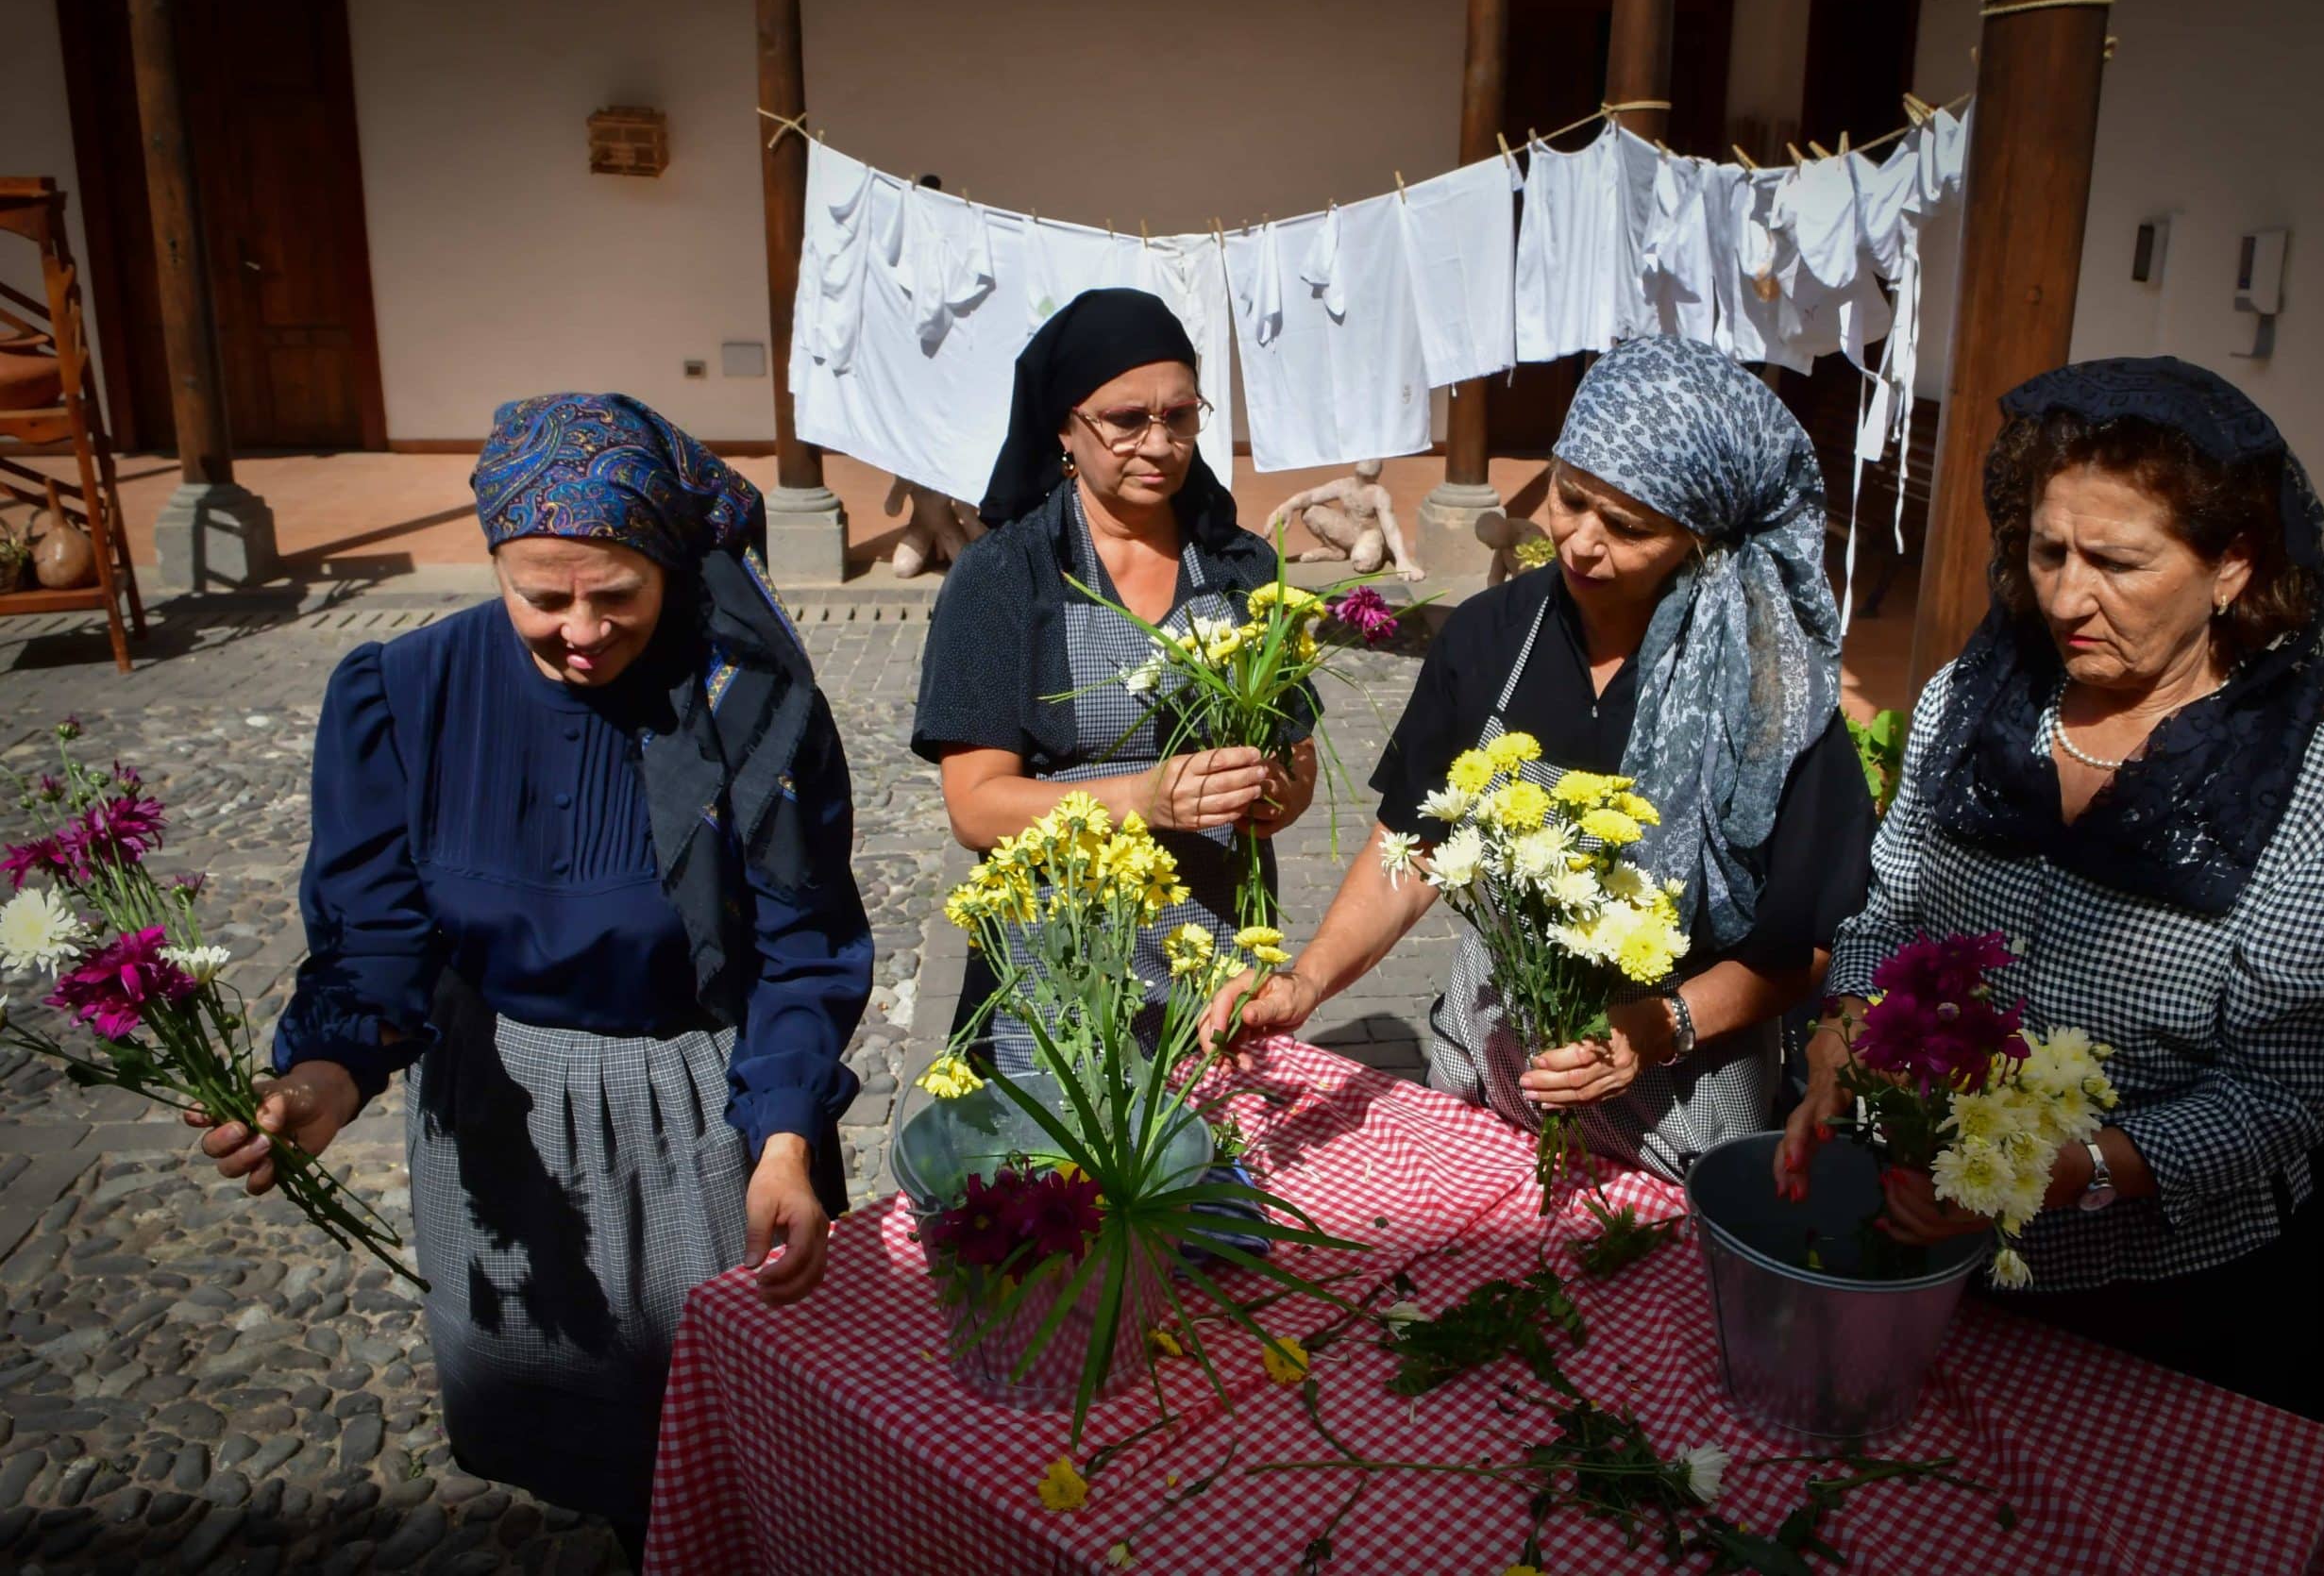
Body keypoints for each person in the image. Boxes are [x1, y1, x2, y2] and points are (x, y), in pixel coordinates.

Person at [189, 394, 872, 1551]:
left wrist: (786, 1139)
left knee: (745, 1441)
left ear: (669, 564)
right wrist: (320, 1080)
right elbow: (377, 939)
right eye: (540, 597)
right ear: (493, 561)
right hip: (503, 1114)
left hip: (702, 1107)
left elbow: (800, 947)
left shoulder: (744, 696)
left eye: (618, 597)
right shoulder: (402, 691)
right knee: (586, 1442)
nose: (581, 631)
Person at [1777, 357, 2324, 1425]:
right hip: (1925, 1226)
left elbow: (2277, 1099)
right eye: (2047, 549)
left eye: (2116, 560)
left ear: (2233, 564)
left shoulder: (2310, 796)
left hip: (2157, 1295)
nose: (2067, 595)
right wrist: (1845, 1024)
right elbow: (1888, 913)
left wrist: (2069, 1172)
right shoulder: (1970, 710)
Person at [1209, 336, 1874, 1180]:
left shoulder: (1767, 692)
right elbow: (1410, 849)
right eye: (1570, 498)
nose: (1581, 543)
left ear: (1702, 535)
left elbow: (1803, 944)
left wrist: (1661, 1023)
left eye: (1627, 527)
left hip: (1684, 1101)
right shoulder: (1495, 635)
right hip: (1490, 1071)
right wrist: (1306, 983)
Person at [914, 288, 1317, 1067]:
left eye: (1180, 416)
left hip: (1217, 958)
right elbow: (975, 807)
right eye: (1126, 420)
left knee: (1208, 1177)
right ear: (1065, 427)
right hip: (1059, 962)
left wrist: (1282, 793)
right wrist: (1144, 799)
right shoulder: (1004, 578)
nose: (1159, 444)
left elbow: (1294, 749)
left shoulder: (1242, 569)